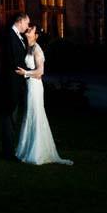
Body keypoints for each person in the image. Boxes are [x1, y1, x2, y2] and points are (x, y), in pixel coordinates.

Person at [14, 26, 73, 166]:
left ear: (36, 36)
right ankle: (25, 149)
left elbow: (40, 71)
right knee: (29, 115)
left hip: (35, 86)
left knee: (35, 115)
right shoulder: (28, 48)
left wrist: (26, 73)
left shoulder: (37, 50)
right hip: (29, 86)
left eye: (32, 30)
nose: (28, 30)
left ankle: (37, 152)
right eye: (28, 28)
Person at [0, 12, 30, 161]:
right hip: (10, 84)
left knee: (12, 119)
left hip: (15, 85)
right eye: (27, 23)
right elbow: (13, 61)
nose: (27, 26)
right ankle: (8, 153)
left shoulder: (17, 36)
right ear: (20, 21)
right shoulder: (10, 36)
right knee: (8, 118)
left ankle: (10, 151)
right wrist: (27, 72)